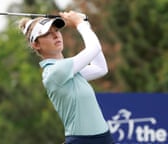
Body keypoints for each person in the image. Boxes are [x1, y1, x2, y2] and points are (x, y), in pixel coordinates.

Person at [18, 11, 114, 144]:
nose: (55, 35)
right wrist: (80, 24)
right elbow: (94, 48)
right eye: (46, 33)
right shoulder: (54, 72)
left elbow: (101, 68)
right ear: (36, 44)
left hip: (105, 139)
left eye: (56, 30)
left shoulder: (69, 70)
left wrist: (85, 24)